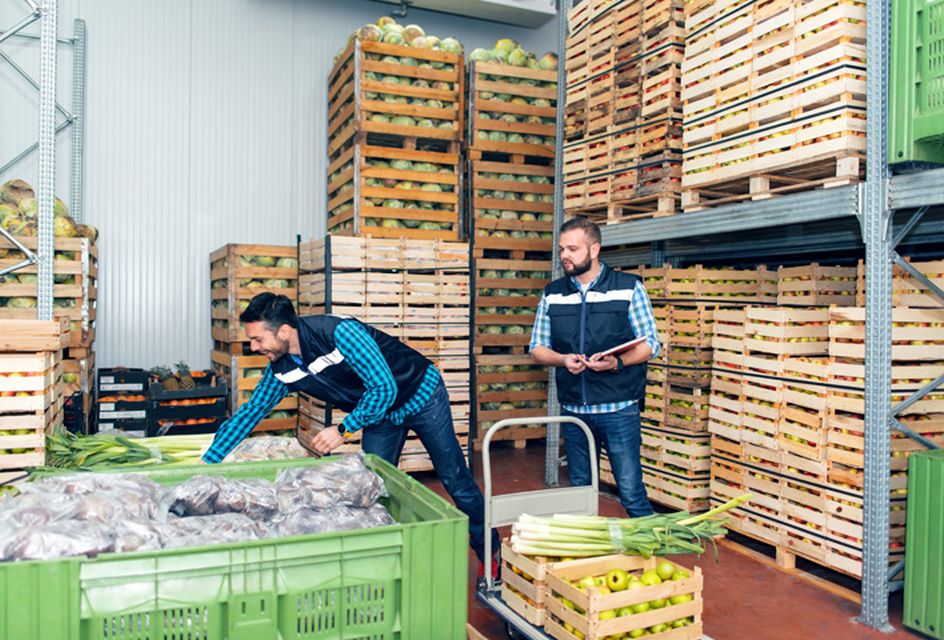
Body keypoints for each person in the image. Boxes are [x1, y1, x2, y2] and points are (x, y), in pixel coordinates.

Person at [202, 292, 500, 575]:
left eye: (257, 338)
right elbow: (249, 414)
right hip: (379, 412)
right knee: (369, 486)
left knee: (455, 479)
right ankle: (382, 560)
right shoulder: (281, 369)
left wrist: (343, 429)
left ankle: (490, 553)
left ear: (282, 331)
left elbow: (384, 386)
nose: (254, 347)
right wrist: (206, 465)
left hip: (420, 394)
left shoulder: (338, 333)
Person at [529, 216, 661, 517]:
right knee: (580, 492)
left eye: (573, 249)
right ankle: (589, 562)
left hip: (619, 409)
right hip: (575, 412)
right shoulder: (553, 293)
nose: (565, 256)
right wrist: (562, 359)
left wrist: (618, 362)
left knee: (630, 491)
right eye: (562, 249)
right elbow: (536, 347)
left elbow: (652, 343)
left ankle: (655, 554)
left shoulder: (628, 288)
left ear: (595, 249)